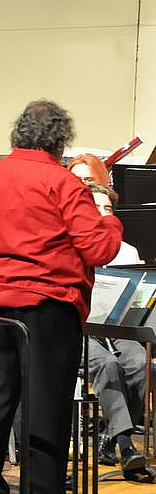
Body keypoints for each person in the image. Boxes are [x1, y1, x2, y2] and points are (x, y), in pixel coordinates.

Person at [0, 100, 123, 494]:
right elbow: (100, 249)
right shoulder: (63, 184)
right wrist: (110, 220)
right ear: (60, 141)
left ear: (16, 136)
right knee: (45, 408)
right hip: (48, 308)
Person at [84, 183, 147, 478]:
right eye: (96, 207)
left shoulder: (127, 251)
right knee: (108, 365)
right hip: (81, 330)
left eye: (107, 208)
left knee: (140, 363)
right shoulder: (75, 244)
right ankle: (124, 444)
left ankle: (110, 437)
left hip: (117, 328)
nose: (102, 213)